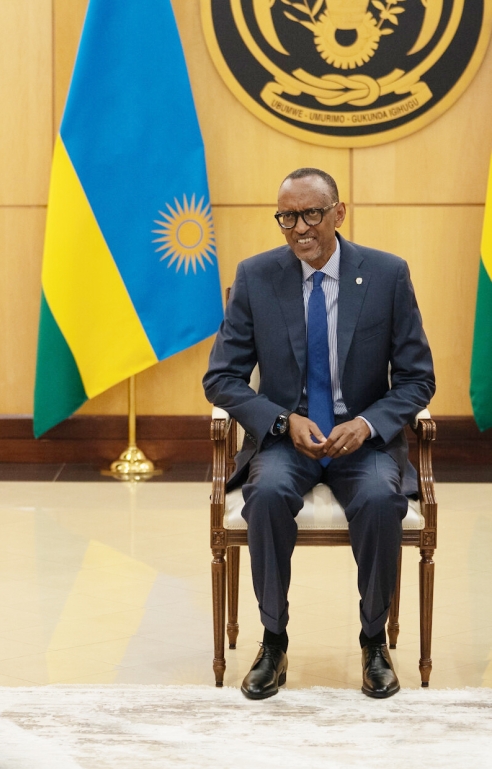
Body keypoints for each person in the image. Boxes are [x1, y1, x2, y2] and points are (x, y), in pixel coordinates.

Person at [203, 168, 435, 700]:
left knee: (380, 499)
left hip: (362, 439)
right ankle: (273, 641)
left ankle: (373, 642)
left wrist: (368, 423)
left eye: (311, 213)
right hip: (288, 439)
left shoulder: (387, 274)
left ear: (338, 213)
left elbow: (418, 379)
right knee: (265, 494)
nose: (299, 228)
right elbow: (221, 378)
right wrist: (281, 420)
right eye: (287, 217)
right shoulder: (257, 277)